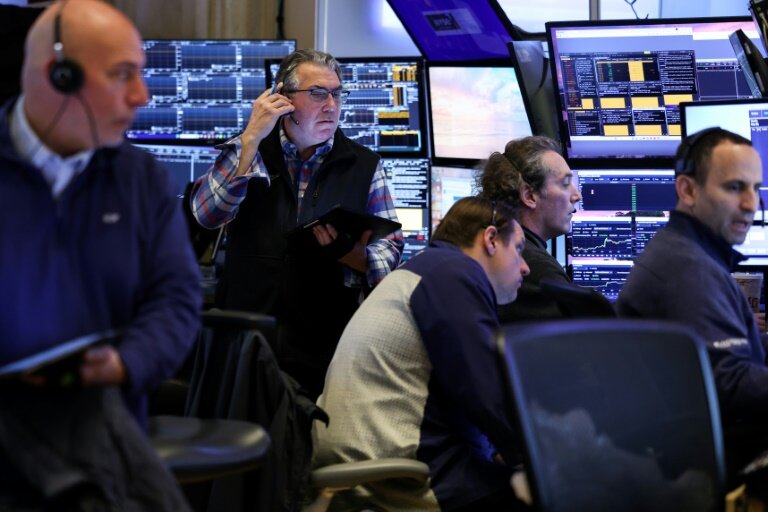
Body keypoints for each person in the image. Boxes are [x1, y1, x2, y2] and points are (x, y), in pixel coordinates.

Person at [0, 0, 200, 508]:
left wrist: (123, 362)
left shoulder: (141, 179)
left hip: (104, 459)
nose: (141, 96)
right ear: (59, 76)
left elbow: (176, 301)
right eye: (122, 75)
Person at [191, 49, 403, 399]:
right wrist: (250, 139)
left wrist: (354, 255)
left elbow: (391, 249)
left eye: (337, 94)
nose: (331, 106)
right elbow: (207, 213)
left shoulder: (365, 165)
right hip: (246, 340)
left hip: (323, 350)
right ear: (282, 99)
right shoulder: (252, 148)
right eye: (318, 94)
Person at [313, 196, 530, 511]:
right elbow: (486, 391)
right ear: (491, 239)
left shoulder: (427, 269)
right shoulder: (454, 272)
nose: (525, 267)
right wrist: (535, 454)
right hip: (399, 474)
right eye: (520, 249)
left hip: (362, 461)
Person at [616, 128, 766, 480]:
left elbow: (735, 353)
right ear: (687, 190)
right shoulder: (688, 270)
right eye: (734, 187)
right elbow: (730, 383)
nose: (751, 204)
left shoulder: (681, 250)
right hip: (707, 465)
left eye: (756, 189)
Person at [478, 135, 581, 321]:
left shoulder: (496, 247)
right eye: (565, 184)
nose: (576, 195)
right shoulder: (536, 272)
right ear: (529, 195)